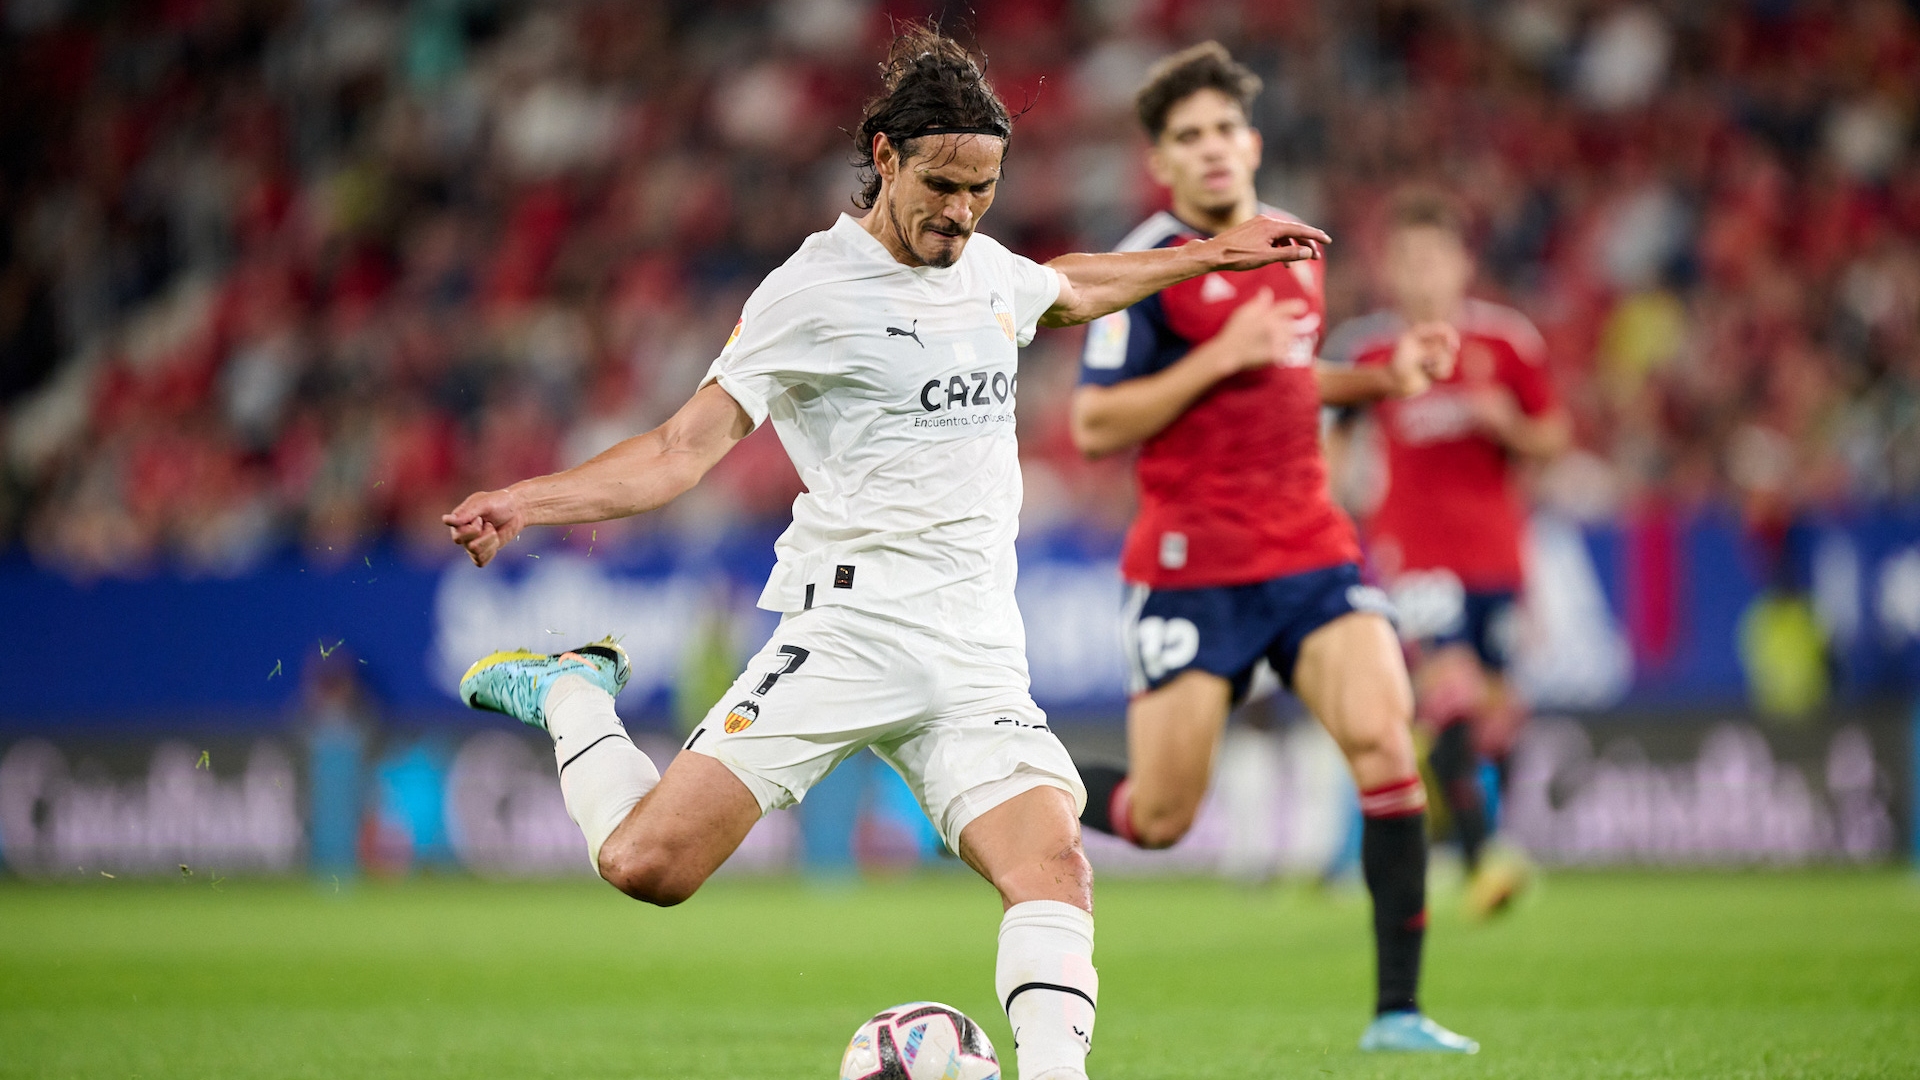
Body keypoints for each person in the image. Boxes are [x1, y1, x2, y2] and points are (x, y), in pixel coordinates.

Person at [440, 28, 1330, 1080]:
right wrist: (525, 502)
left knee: (1051, 866)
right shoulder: (809, 294)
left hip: (976, 648)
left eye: (984, 188)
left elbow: (1066, 285)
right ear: (884, 156)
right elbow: (682, 451)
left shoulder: (984, 268)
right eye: (943, 185)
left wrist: (1209, 254)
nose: (961, 212)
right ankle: (575, 695)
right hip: (852, 629)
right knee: (647, 865)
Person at [1066, 42, 1476, 1054]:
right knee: (1161, 816)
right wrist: (1217, 353)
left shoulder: (1296, 247)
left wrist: (1380, 383)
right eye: (1187, 137)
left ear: (1250, 143)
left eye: (1222, 131)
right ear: (1161, 164)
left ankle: (1398, 1014)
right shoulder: (1148, 268)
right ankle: (988, 788)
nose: (1211, 150)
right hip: (1191, 570)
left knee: (1387, 745)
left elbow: (1290, 374)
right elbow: (1095, 426)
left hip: (1313, 554)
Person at [1322, 188, 1571, 917]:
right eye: (1406, 259)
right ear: (1389, 270)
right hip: (1413, 553)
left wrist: (1510, 428)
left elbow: (1553, 437)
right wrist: (1334, 512)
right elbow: (1334, 438)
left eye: (1433, 256)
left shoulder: (1507, 343)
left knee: (1497, 714)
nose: (1421, 272)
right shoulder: (1369, 349)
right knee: (1453, 694)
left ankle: (1445, 830)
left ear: (1463, 263)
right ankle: (1483, 860)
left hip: (1498, 554)